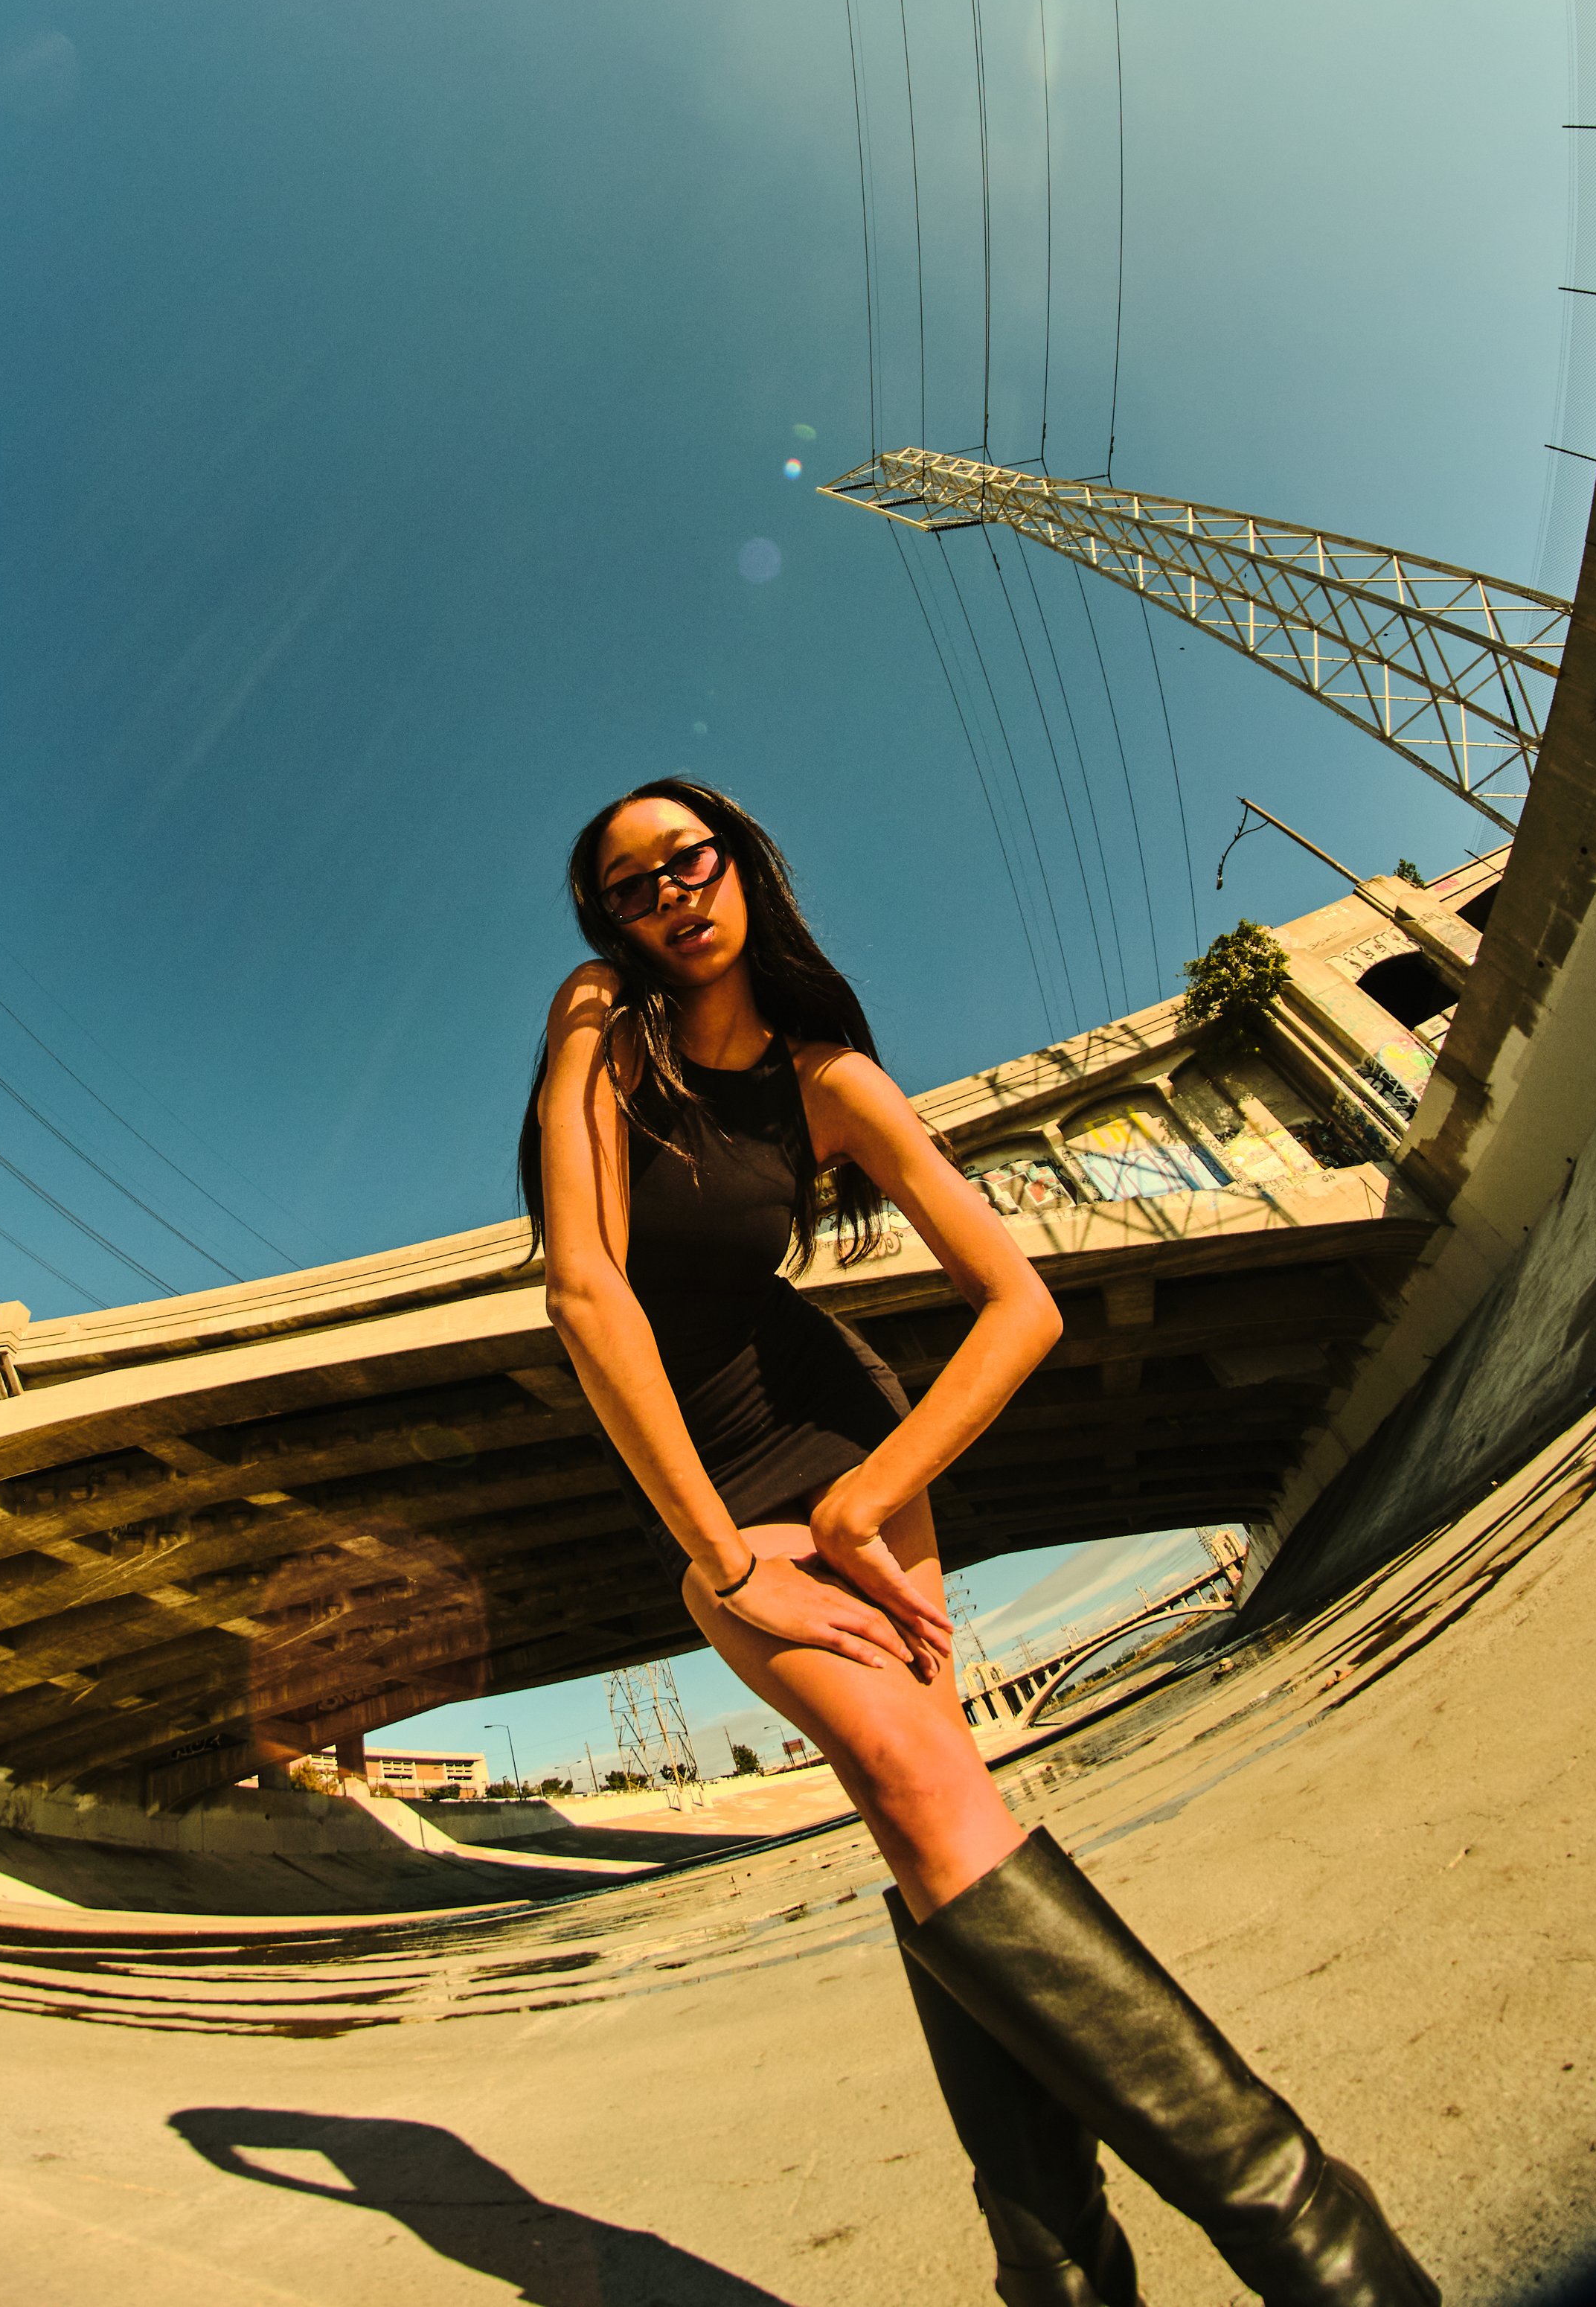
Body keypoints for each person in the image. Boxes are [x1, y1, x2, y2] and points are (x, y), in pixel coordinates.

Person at [520, 777, 1435, 2307]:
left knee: (928, 1810)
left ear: (741, 862)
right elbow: (583, 1289)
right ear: (604, 923)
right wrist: (722, 1553)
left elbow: (1022, 1301)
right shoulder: (604, 1027)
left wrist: (869, 1489)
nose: (668, 889)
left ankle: (1205, 2263)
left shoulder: (830, 1077)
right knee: (921, 1797)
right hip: (716, 1481)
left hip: (830, 1429)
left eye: (690, 856)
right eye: (628, 883)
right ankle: (1250, 2252)